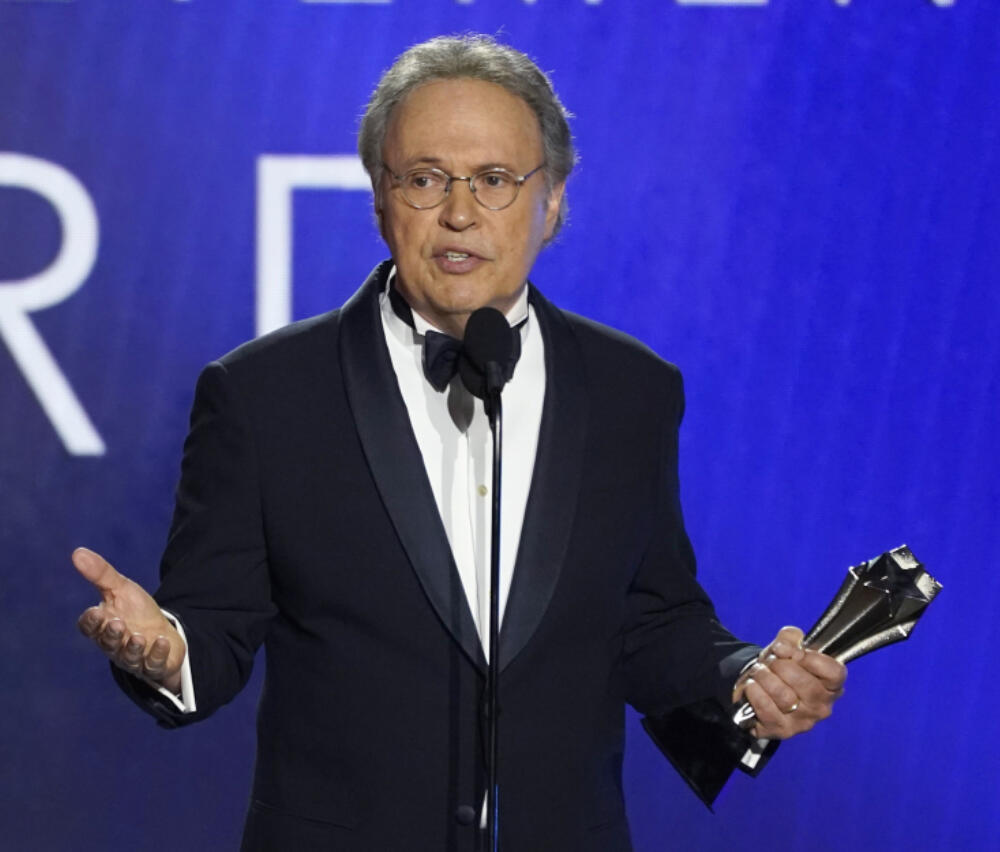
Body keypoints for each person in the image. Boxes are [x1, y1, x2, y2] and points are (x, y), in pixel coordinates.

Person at [74, 34, 846, 852]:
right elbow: (214, 628)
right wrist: (165, 651)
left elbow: (649, 621)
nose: (460, 213)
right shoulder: (264, 394)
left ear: (551, 201)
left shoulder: (633, 390)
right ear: (381, 198)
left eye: (494, 181)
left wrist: (744, 677)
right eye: (425, 179)